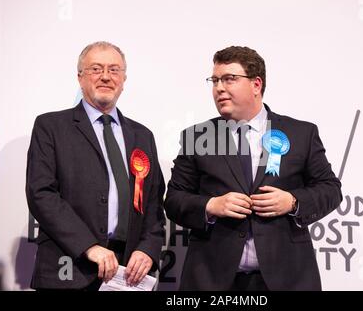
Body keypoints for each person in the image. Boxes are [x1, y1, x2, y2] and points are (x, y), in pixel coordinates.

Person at [164, 46, 342, 291]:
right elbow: (173, 199)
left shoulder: (301, 133)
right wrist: (211, 206)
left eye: (229, 79)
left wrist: (292, 201)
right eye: (215, 80)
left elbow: (331, 189)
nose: (219, 88)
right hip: (213, 280)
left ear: (256, 85)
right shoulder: (198, 136)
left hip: (287, 279)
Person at [26, 41, 165, 290]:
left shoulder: (143, 135)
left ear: (123, 79)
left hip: (125, 275)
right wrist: (88, 246)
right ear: (80, 78)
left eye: (114, 70)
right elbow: (41, 194)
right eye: (96, 69)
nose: (105, 77)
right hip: (68, 269)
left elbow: (154, 203)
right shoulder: (51, 127)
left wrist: (147, 250)